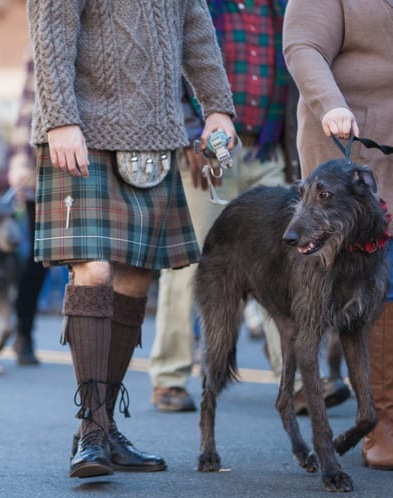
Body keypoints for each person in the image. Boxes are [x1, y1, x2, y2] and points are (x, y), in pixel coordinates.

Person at [28, 0, 236, 478]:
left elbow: (197, 30)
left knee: (136, 279)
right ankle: (96, 428)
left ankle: (99, 430)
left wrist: (218, 107)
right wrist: (60, 118)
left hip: (156, 133)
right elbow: (52, 31)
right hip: (82, 129)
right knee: (93, 267)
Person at [148, 0, 350, 414]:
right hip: (207, 155)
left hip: (267, 154)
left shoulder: (282, 9)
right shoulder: (203, 7)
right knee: (188, 262)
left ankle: (294, 382)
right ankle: (169, 376)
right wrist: (191, 135)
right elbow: (171, 69)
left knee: (288, 261)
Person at [284, 0, 393, 470]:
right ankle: (379, 427)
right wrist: (331, 102)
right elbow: (303, 45)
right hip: (358, 152)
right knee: (391, 276)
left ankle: (375, 394)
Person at [7, 53, 45, 366]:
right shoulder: (47, 35)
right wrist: (20, 160)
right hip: (43, 169)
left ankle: (90, 340)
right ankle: (24, 333)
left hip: (95, 163)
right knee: (39, 258)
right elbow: (28, 107)